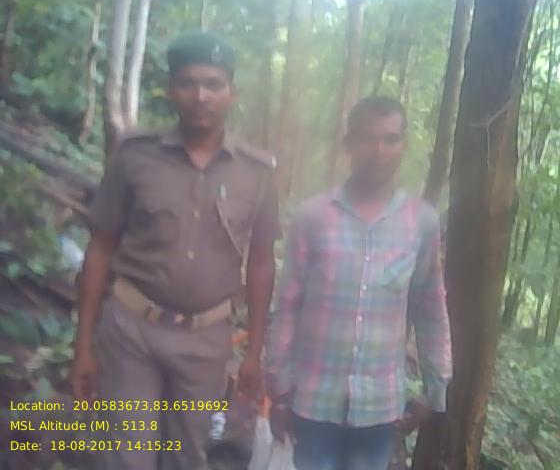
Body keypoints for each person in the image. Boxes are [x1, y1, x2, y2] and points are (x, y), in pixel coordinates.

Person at [70, 31, 280, 470]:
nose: (200, 96)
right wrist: (83, 343)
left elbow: (261, 262)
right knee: (126, 459)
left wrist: (254, 353)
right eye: (188, 83)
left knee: (187, 457)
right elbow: (101, 248)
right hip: (130, 332)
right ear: (170, 90)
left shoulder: (257, 173)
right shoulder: (134, 156)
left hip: (206, 341)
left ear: (232, 92)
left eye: (213, 84)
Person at [265, 96, 452, 470]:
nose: (379, 150)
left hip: (380, 411)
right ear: (349, 143)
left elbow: (431, 308)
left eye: (390, 139)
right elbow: (287, 306)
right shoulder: (313, 217)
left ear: (403, 145)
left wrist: (435, 390)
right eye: (367, 138)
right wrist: (278, 388)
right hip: (312, 402)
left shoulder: (421, 222)